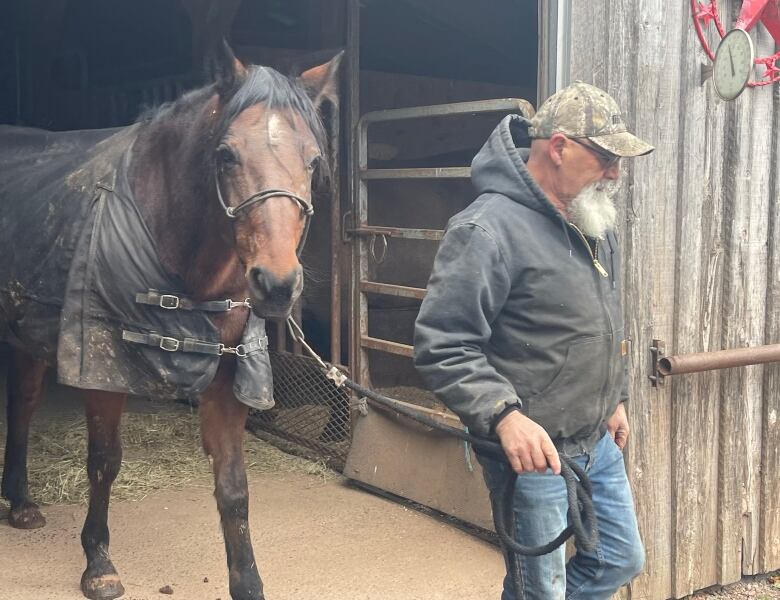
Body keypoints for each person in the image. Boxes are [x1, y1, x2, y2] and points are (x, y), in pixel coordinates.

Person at [413, 81, 654, 600]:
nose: (614, 173)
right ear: (560, 147)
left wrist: (617, 398)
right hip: (535, 450)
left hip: (596, 440)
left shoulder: (593, 221)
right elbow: (442, 344)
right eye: (605, 158)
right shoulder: (486, 229)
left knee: (619, 559)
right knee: (538, 589)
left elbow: (604, 319)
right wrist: (504, 415)